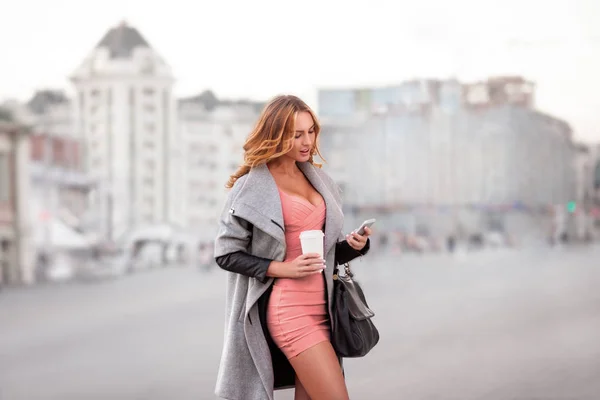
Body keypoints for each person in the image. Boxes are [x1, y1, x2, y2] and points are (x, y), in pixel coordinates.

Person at [213, 95, 373, 400]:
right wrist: (282, 268)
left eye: (311, 132)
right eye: (296, 134)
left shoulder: (319, 180)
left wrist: (355, 246)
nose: (307, 141)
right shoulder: (251, 187)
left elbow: (322, 255)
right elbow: (225, 253)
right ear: (275, 134)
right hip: (289, 311)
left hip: (326, 309)